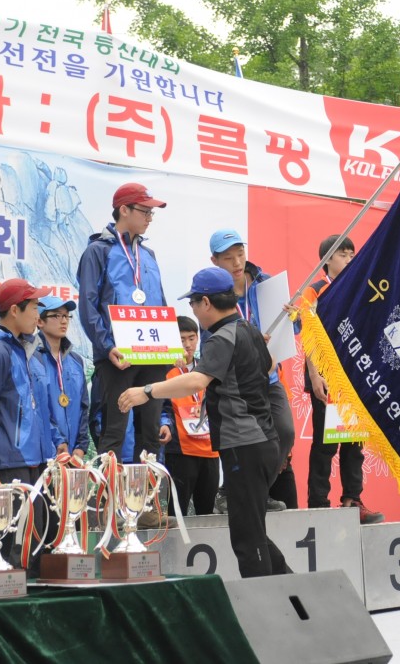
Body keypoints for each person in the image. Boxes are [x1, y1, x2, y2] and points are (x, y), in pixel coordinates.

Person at [119, 267, 289, 578]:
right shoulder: (249, 330)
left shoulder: (221, 338)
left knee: (247, 537)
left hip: (244, 444)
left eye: (194, 303)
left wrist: (147, 391)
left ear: (206, 302)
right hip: (263, 441)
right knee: (252, 530)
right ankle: (290, 587)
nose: (194, 310)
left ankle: (268, 598)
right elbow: (269, 366)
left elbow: (196, 381)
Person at [78, 182, 169, 462]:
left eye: (152, 213)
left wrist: (171, 346)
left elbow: (160, 302)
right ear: (124, 210)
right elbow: (88, 306)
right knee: (114, 430)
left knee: (150, 431)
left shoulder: (148, 255)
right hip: (119, 355)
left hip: (153, 353)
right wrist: (107, 346)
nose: (149, 218)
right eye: (145, 211)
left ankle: (149, 490)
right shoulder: (98, 251)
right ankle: (109, 488)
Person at [0, 278, 52, 567]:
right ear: (15, 310)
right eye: (34, 307)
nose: (38, 315)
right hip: (8, 462)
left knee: (32, 544)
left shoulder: (21, 349)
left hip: (32, 459)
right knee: (12, 548)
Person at [209, 228, 293, 511]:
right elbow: (212, 340)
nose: (237, 262)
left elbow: (294, 328)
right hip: (237, 382)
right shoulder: (213, 295)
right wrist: (250, 340)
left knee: (284, 431)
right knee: (244, 441)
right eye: (228, 258)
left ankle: (257, 490)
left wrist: (292, 316)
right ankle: (230, 493)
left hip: (269, 376)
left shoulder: (265, 283)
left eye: (240, 254)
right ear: (214, 261)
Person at [302, 234, 384, 524]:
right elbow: (309, 334)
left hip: (355, 377)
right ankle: (318, 504)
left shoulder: (359, 288)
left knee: (354, 442)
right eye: (343, 254)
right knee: (325, 445)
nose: (349, 259)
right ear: (327, 260)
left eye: (352, 254)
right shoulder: (314, 290)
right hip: (326, 376)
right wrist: (314, 375)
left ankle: (353, 500)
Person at [159, 316, 219, 515]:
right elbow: (162, 405)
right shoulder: (165, 370)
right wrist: (164, 424)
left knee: (206, 513)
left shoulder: (207, 368)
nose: (187, 345)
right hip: (181, 450)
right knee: (176, 512)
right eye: (182, 339)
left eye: (192, 338)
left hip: (210, 449)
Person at [36, 296, 95, 461]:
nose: (64, 321)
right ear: (40, 321)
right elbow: (36, 408)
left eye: (66, 316)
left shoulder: (76, 360)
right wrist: (58, 441)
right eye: (56, 315)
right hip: (45, 454)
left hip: (73, 454)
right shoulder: (32, 358)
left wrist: (81, 446)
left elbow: (83, 407)